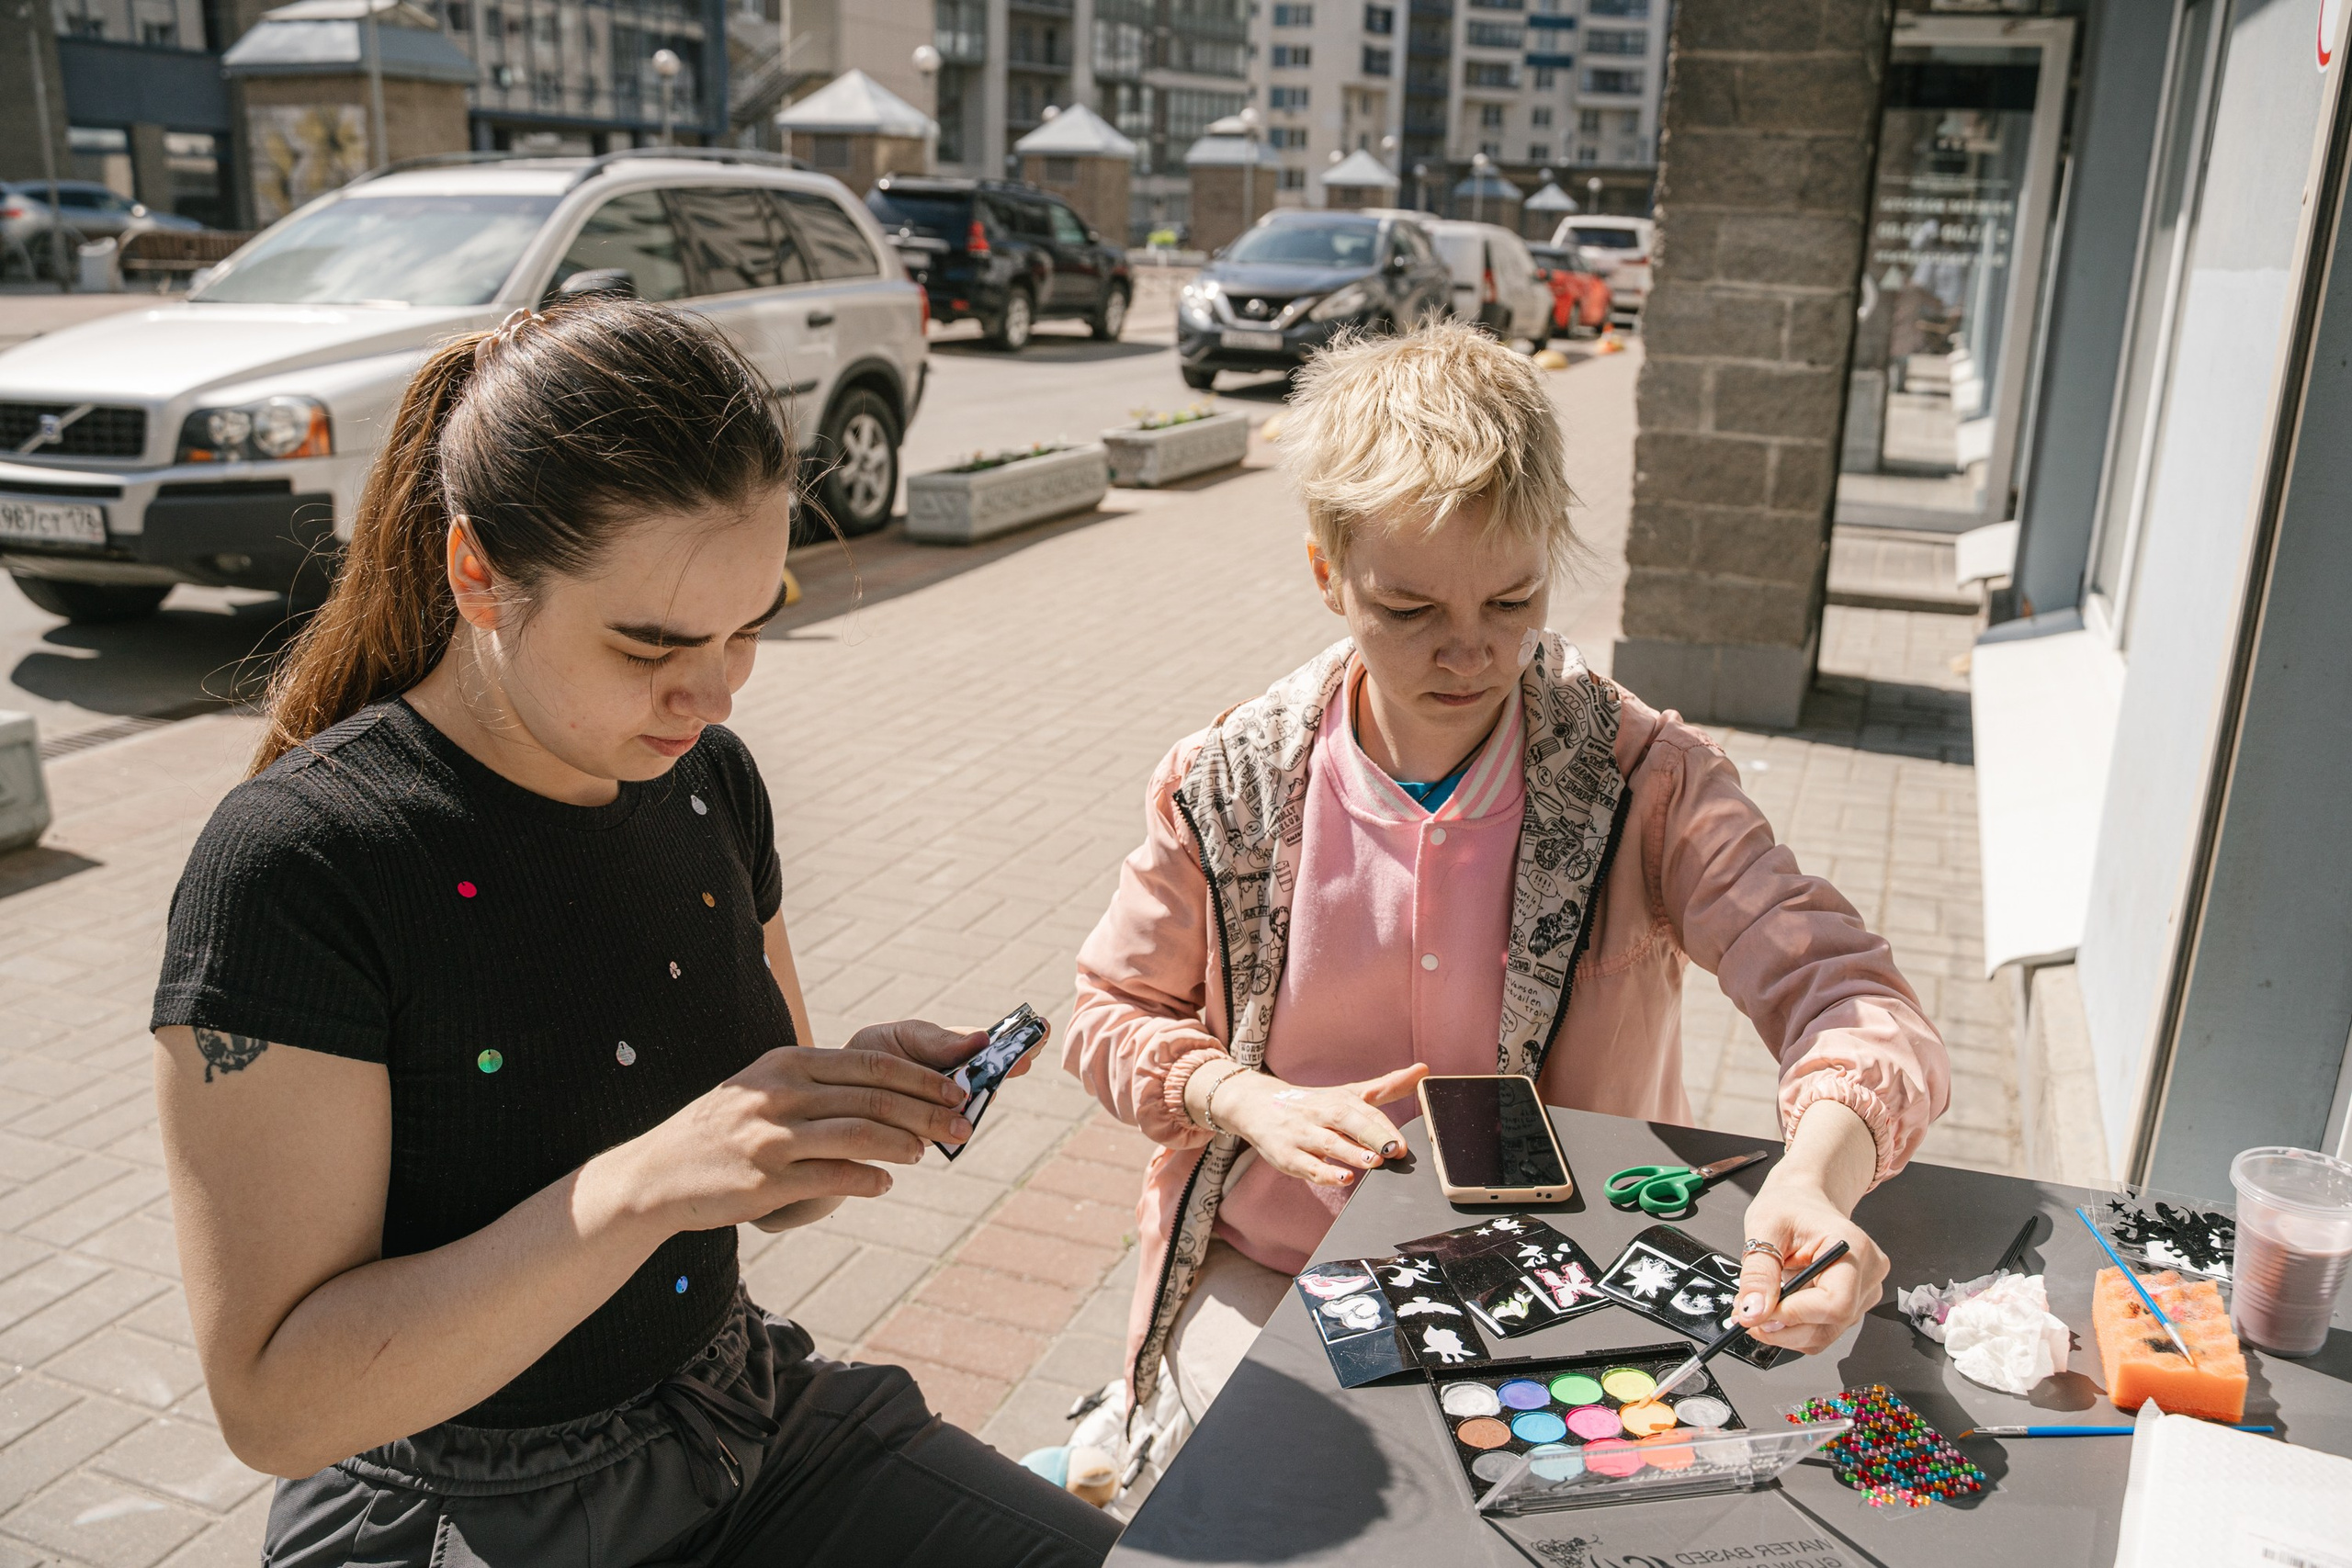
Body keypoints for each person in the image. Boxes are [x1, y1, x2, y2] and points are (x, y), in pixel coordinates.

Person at [150, 298, 1121, 1568]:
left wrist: (832, 1110)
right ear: (476, 572)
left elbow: (763, 1201)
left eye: (749, 628)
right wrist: (641, 1190)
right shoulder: (301, 865)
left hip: (741, 1418)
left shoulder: (712, 781)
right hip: (465, 1512)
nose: (713, 694)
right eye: (650, 646)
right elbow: (274, 1406)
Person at [1051, 321, 1950, 1506]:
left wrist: (1815, 1179)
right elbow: (1109, 1011)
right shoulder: (1229, 786)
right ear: (1328, 572)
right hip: (1279, 1266)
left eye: (1513, 598)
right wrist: (1241, 1097)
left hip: (1572, 1276)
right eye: (1410, 608)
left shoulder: (1643, 779)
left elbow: (1849, 999)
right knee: (1253, 1515)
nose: (1469, 650)